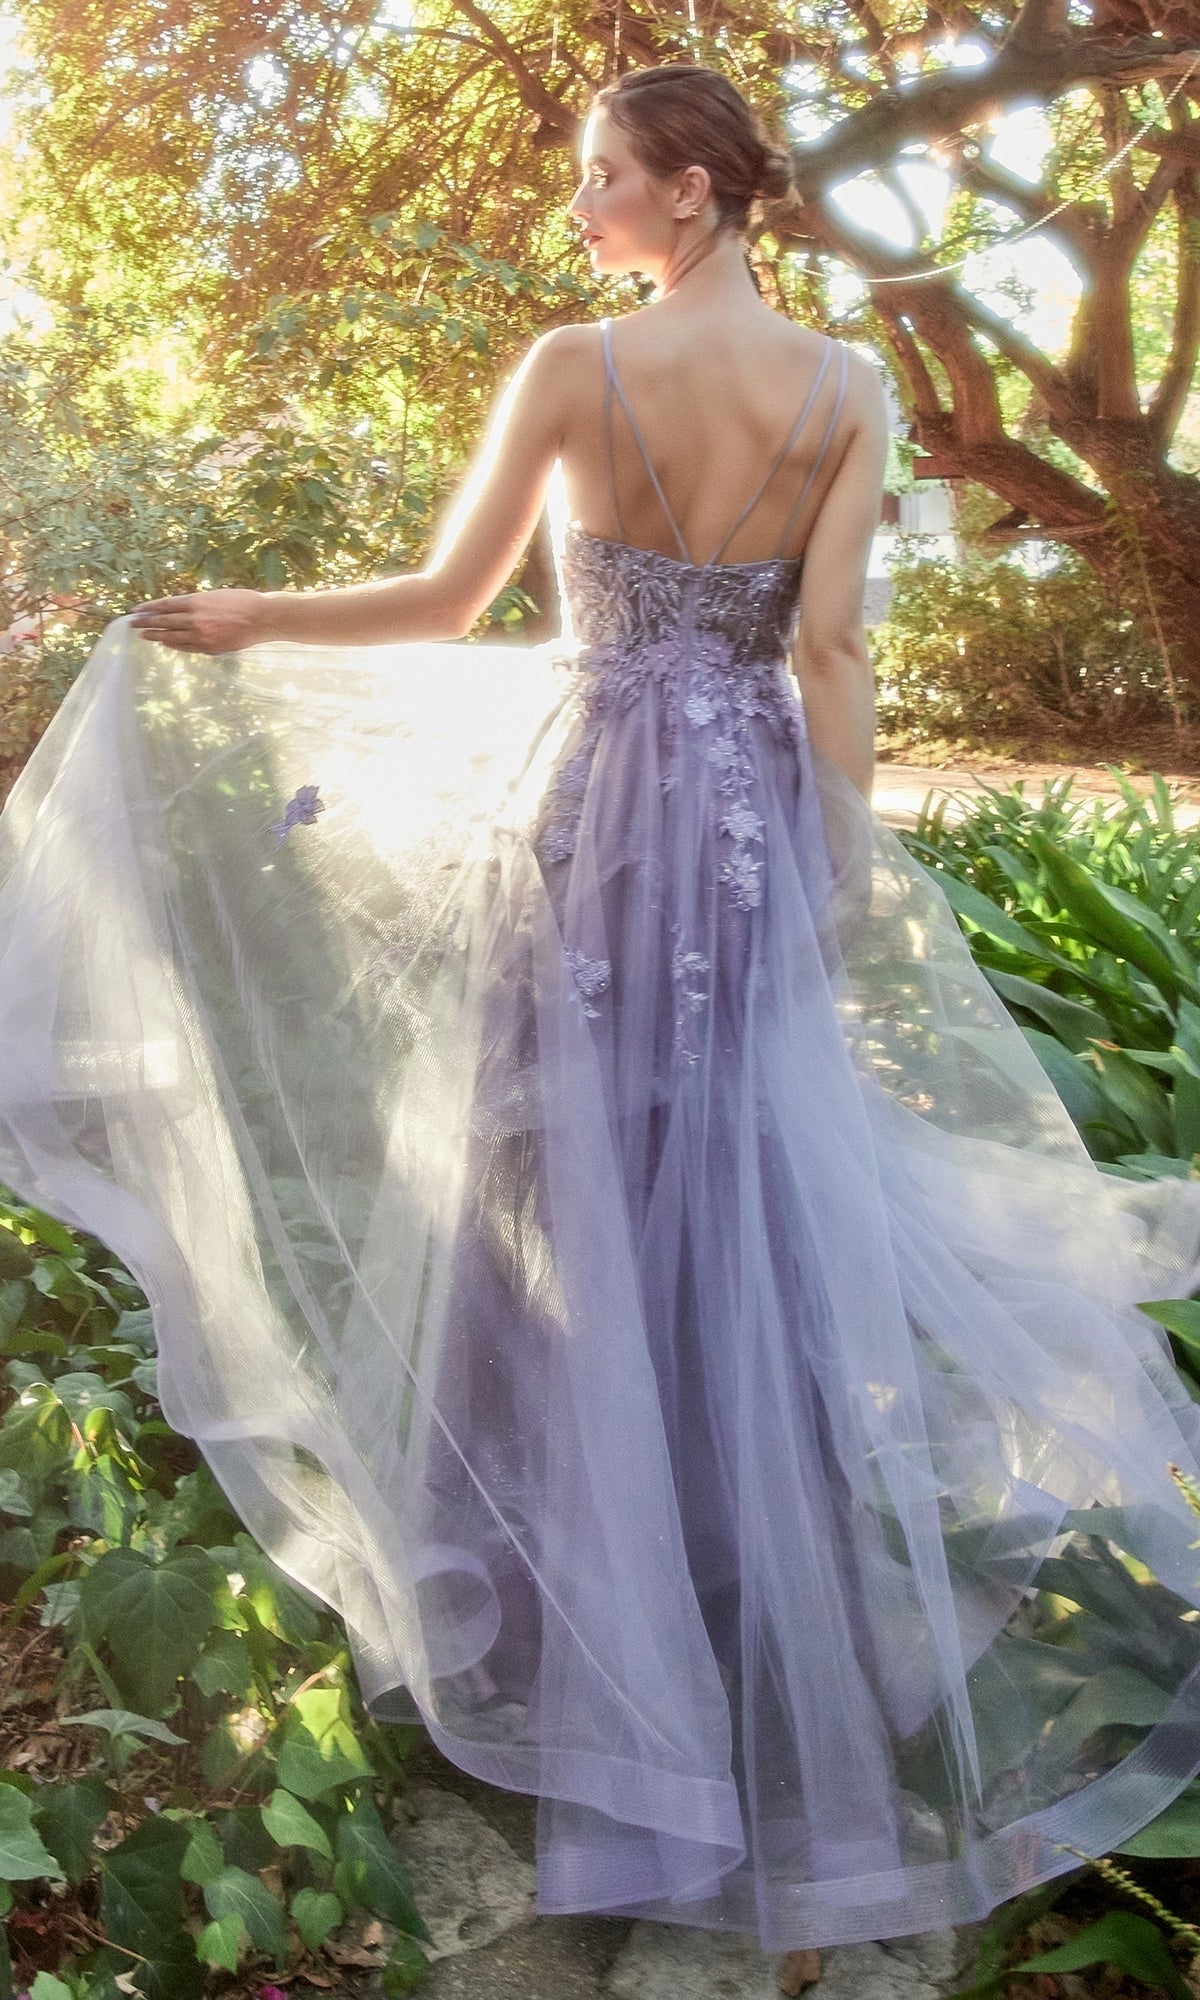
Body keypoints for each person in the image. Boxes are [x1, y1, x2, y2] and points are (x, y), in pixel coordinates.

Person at [6, 60, 1200, 1994]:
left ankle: (574, 1632)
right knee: (729, 1196)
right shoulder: (851, 391)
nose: (579, 207)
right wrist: (830, 863)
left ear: (702, 194)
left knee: (551, 1185)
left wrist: (253, 616)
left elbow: (450, 595)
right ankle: (735, 1615)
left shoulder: (577, 365)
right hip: (740, 835)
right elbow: (828, 652)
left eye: (604, 174)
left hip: (593, 825)